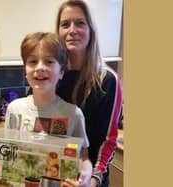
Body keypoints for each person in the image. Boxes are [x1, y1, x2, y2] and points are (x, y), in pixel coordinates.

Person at [0, 32, 93, 187]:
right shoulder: (14, 109)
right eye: (33, 61)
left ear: (61, 72)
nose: (40, 67)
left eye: (49, 61)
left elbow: (84, 158)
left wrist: (85, 177)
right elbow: (6, 156)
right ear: (25, 70)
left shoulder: (73, 114)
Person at [55, 1, 123, 187]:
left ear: (91, 30)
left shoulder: (108, 81)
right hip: (55, 176)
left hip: (91, 180)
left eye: (80, 23)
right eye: (65, 24)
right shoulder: (53, 76)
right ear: (58, 31)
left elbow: (108, 141)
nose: (72, 30)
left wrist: (91, 181)